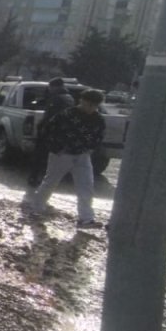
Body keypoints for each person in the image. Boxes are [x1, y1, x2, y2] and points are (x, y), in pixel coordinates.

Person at [22, 89, 107, 228]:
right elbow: (48, 130)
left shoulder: (98, 119)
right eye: (88, 104)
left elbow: (99, 137)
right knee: (50, 182)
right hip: (62, 154)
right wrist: (56, 148)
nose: (90, 108)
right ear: (82, 101)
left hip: (82, 155)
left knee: (86, 186)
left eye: (93, 106)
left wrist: (90, 149)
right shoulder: (67, 115)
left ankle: (86, 218)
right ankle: (36, 208)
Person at [28, 77, 76, 187]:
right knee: (51, 160)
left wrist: (42, 128)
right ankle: (44, 180)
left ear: (53, 87)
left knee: (41, 158)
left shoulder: (57, 99)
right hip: (61, 134)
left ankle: (35, 179)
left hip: (50, 133)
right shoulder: (69, 98)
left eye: (50, 87)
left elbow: (50, 117)